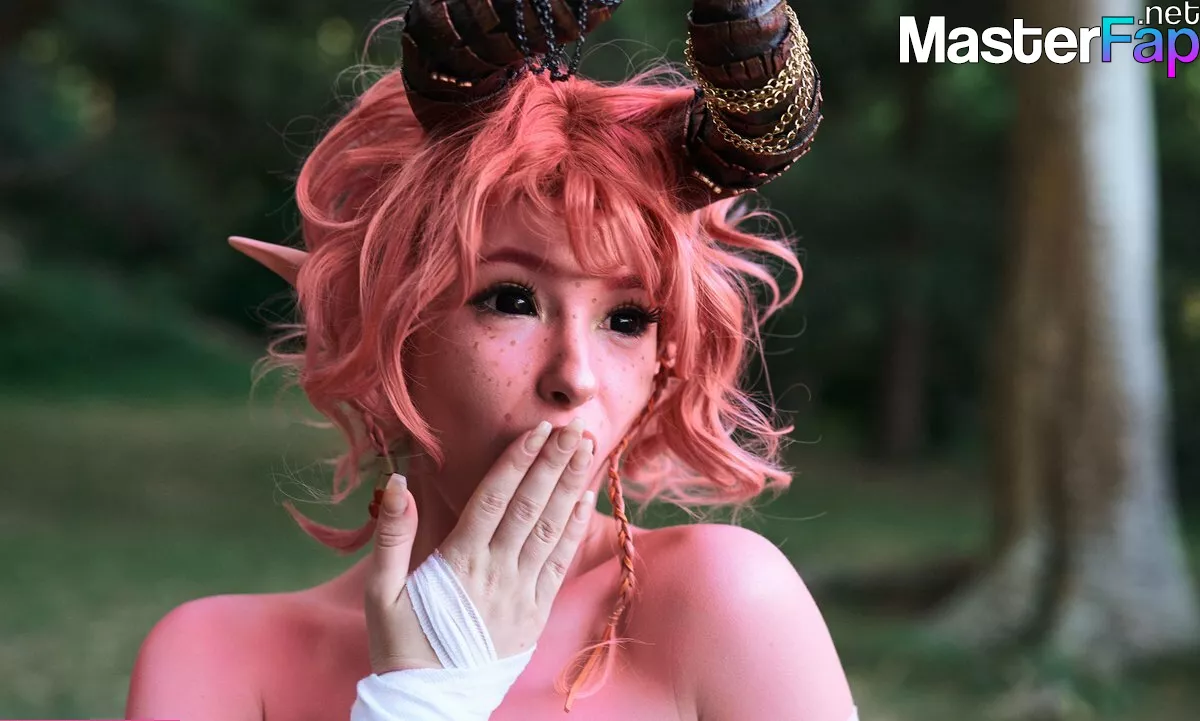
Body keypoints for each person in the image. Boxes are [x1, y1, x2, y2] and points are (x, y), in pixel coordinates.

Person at [125, 0, 857, 719]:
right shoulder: (217, 657)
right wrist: (424, 697)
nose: (575, 377)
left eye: (627, 319)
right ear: (382, 327)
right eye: (511, 300)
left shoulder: (724, 601)